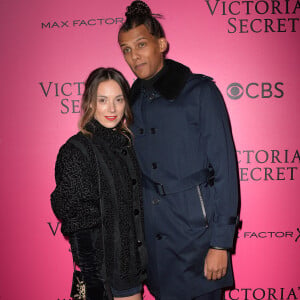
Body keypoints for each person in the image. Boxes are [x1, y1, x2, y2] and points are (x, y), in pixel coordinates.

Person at [118, 1, 240, 300]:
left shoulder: (200, 92)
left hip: (198, 240)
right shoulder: (129, 104)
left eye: (141, 44)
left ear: (162, 44)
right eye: (126, 50)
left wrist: (221, 244)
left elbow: (225, 170)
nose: (134, 56)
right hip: (154, 247)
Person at [51, 67, 147, 300]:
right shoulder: (77, 150)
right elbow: (79, 226)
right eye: (102, 100)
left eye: (118, 100)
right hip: (109, 277)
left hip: (136, 267)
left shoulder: (127, 145)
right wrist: (96, 285)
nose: (112, 109)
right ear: (89, 103)